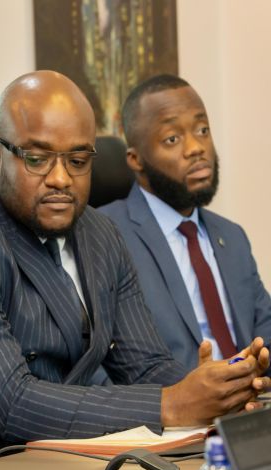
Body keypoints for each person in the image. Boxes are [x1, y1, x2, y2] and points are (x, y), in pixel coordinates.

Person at [0, 71, 268, 465]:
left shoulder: (100, 233)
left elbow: (144, 365)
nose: (61, 179)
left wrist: (215, 391)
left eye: (78, 161)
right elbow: (14, 403)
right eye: (37, 159)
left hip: (81, 463)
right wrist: (171, 404)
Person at [98, 74, 271, 370]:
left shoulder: (231, 236)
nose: (196, 148)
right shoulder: (105, 234)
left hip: (250, 394)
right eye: (172, 139)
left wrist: (251, 373)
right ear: (136, 160)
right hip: (171, 398)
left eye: (202, 130)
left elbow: (265, 331)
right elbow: (94, 361)